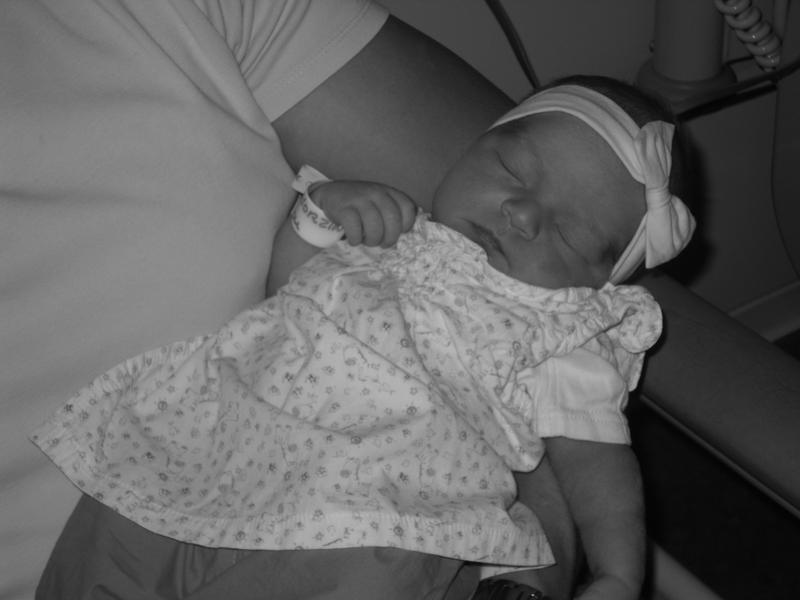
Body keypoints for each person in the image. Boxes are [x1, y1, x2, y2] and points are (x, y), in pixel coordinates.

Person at [32, 79, 695, 600]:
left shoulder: (558, 335)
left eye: (571, 233)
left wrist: (618, 572)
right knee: (112, 538)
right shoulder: (391, 227)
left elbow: (599, 469)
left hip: (369, 521)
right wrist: (320, 216)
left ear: (597, 284)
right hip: (219, 443)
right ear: (471, 148)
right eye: (511, 169)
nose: (522, 214)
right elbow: (289, 294)